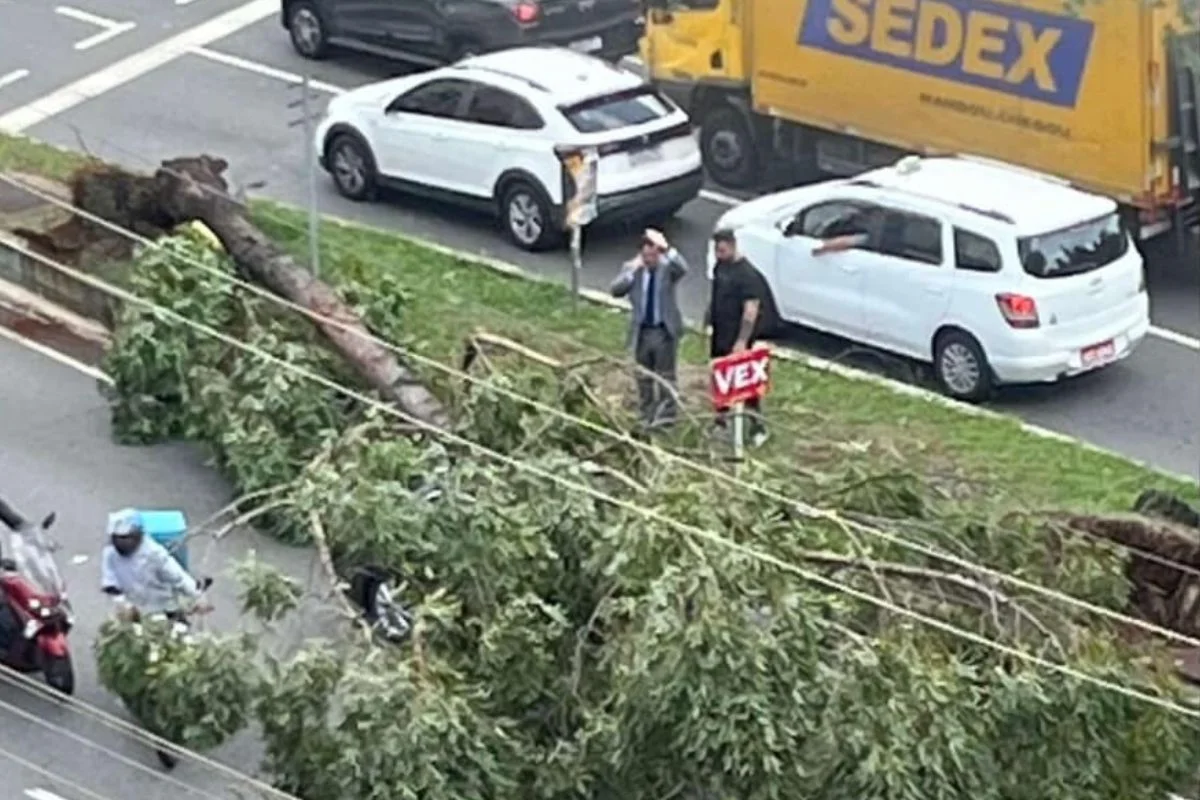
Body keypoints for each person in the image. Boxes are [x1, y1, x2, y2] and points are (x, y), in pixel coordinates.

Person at [705, 228, 778, 447]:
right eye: (717, 250)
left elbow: (751, 309)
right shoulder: (721, 267)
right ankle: (721, 421)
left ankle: (757, 426)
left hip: (739, 338)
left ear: (733, 245)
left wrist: (742, 341)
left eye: (722, 249)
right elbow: (716, 295)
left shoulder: (747, 275)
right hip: (720, 335)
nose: (719, 254)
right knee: (720, 379)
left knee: (746, 386)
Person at [610, 228, 688, 429]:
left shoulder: (667, 269)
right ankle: (646, 411)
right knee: (643, 375)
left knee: (665, 375)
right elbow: (615, 290)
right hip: (643, 332)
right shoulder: (633, 269)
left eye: (653, 255)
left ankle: (666, 416)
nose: (649, 260)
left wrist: (667, 248)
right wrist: (630, 272)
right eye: (645, 256)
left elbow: (682, 268)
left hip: (663, 331)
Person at [101, 509, 210, 620]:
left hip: (162, 608)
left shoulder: (154, 554)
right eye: (117, 538)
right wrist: (122, 602)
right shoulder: (110, 553)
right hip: (132, 608)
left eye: (125, 538)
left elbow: (177, 577)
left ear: (138, 534)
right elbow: (110, 582)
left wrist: (198, 595)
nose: (121, 543)